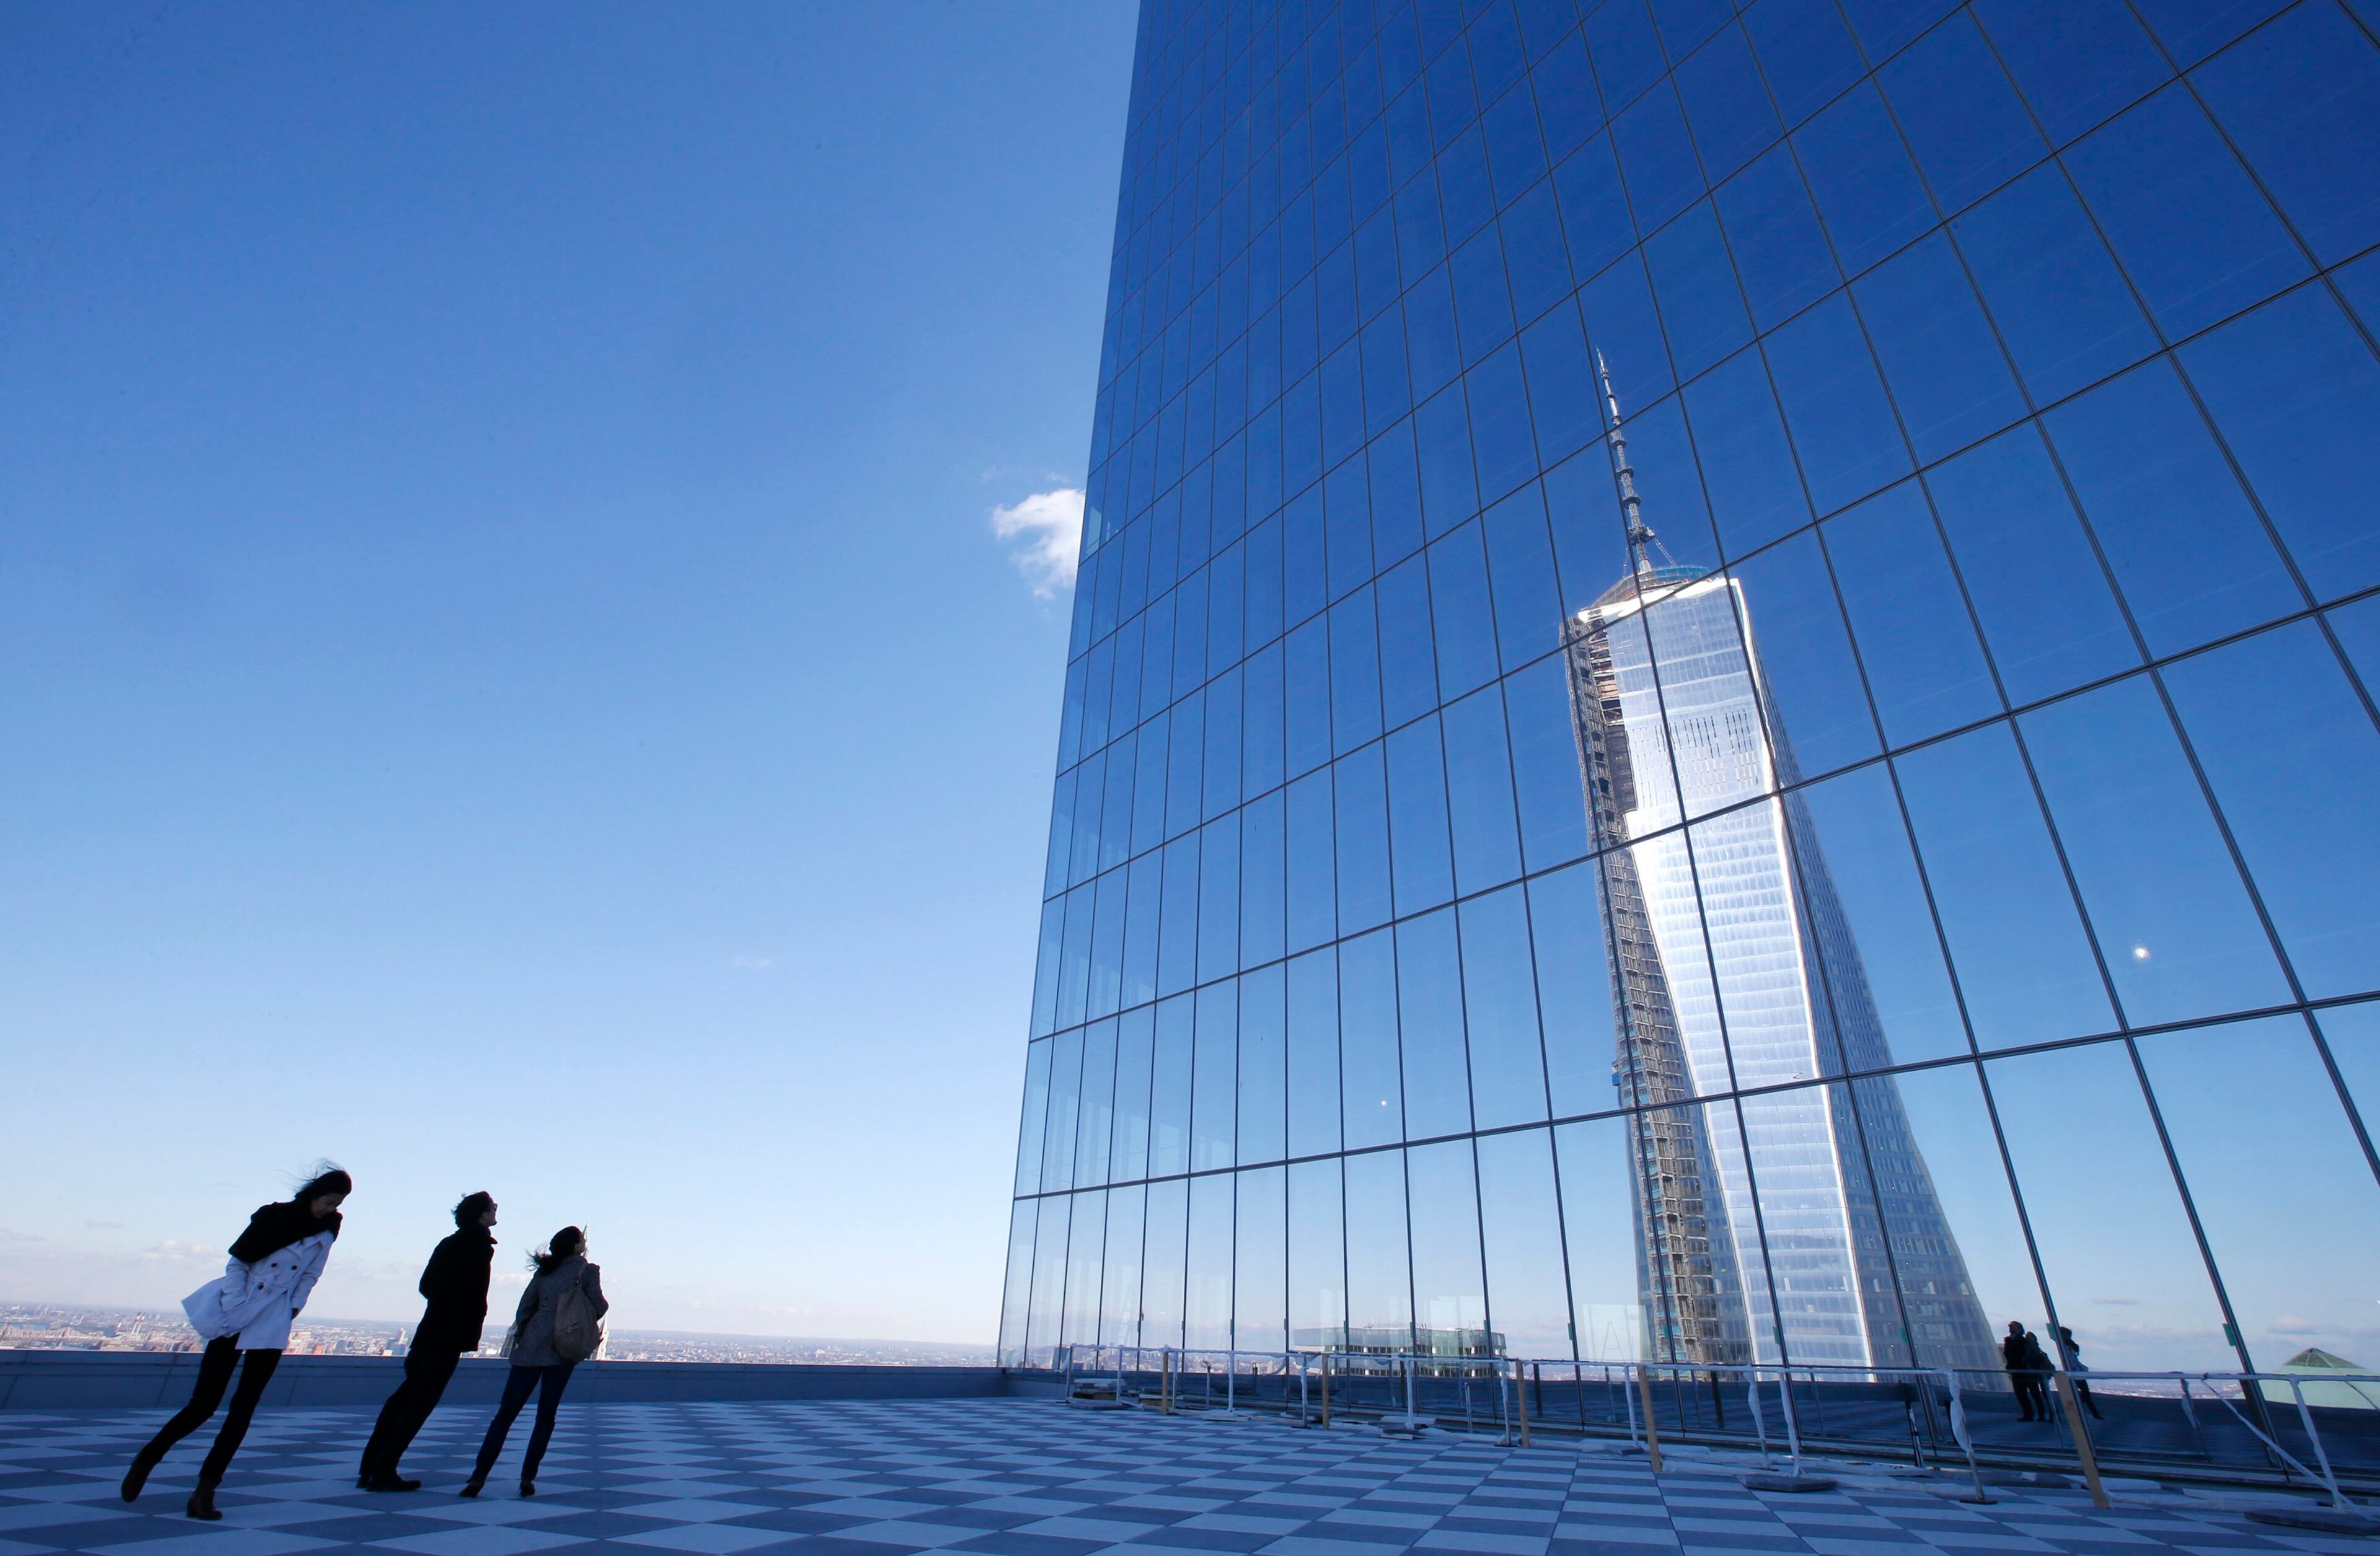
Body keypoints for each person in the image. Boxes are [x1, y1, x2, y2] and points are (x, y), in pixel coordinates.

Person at [121, 1166, 351, 1520]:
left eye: (336, 1204)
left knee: (243, 1411)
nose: (330, 1209)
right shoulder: (274, 1217)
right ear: (314, 1193)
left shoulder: (329, 1227)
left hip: (273, 1318)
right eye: (327, 1201)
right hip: (239, 1310)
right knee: (203, 1405)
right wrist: (234, 1303)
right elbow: (238, 1262)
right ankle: (147, 1459)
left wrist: (292, 1307)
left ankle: (205, 1491)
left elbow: (311, 1273)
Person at [358, 1192, 500, 1491]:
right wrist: (466, 1318)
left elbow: (427, 1286)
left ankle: (370, 1467)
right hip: (448, 1336)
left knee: (403, 1400)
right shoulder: (478, 1246)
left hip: (428, 1332)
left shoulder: (449, 1242)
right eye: (492, 1207)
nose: (496, 1209)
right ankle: (383, 1470)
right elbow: (473, 1294)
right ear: (482, 1215)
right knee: (418, 1405)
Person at [462, 1226, 607, 1498]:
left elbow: (525, 1306)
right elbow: (600, 1306)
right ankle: (528, 1478)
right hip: (564, 1346)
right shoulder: (586, 1271)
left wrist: (528, 1332)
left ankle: (478, 1477)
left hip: (532, 1344)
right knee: (545, 1417)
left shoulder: (545, 1270)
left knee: (505, 1416)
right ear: (576, 1247)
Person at [2002, 1319, 2052, 1422]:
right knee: (2021, 1394)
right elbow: (2008, 1355)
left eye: (2013, 1326)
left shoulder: (2022, 1341)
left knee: (2034, 1393)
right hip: (2017, 1371)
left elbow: (2027, 1354)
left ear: (2019, 1329)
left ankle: (2040, 1414)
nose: (2010, 1328)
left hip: (2027, 1370)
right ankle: (2029, 1414)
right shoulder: (2009, 1341)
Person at [2056, 1325, 2104, 1420]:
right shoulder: (2066, 1346)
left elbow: (2072, 1360)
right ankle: (2093, 1413)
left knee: (2084, 1394)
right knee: (2082, 1394)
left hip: (2075, 1372)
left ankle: (2093, 1413)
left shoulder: (2069, 1346)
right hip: (2073, 1372)